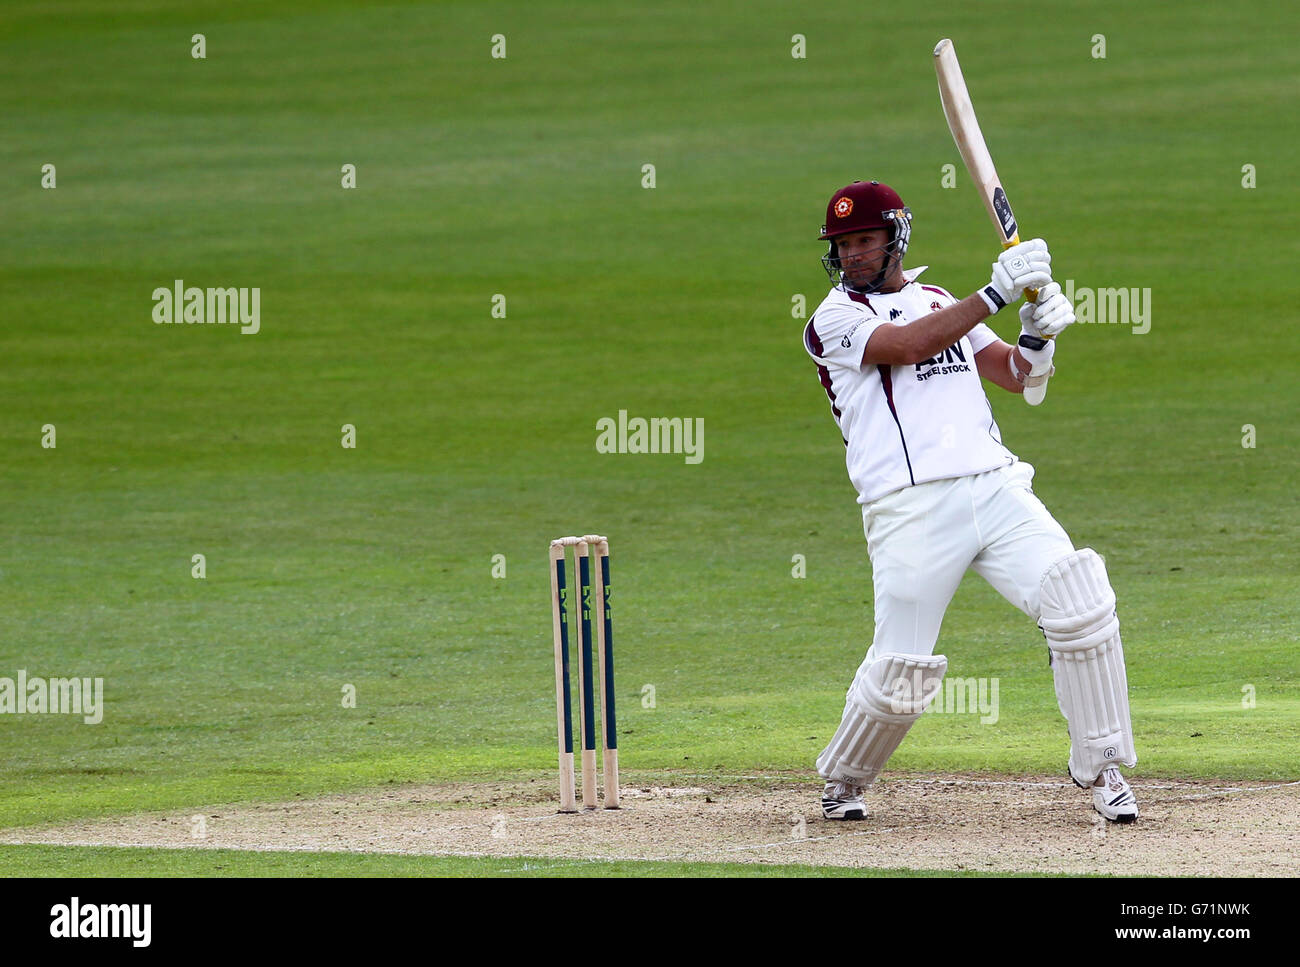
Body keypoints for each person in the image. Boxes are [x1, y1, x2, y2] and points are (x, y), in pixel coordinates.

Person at [802, 180, 1138, 823]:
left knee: (1079, 598)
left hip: (995, 484)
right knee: (902, 665)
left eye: (865, 239)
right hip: (909, 507)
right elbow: (909, 347)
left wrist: (1037, 335)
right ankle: (845, 779)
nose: (853, 254)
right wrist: (993, 295)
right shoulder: (834, 319)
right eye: (842, 244)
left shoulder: (935, 299)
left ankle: (1102, 769)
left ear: (897, 235)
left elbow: (1015, 377)